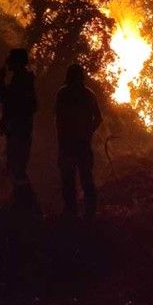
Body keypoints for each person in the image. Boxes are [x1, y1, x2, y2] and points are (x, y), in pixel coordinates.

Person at [55, 63, 102, 217]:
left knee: (70, 178)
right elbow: (98, 119)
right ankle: (89, 212)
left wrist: (62, 139)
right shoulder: (88, 94)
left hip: (69, 143)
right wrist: (88, 132)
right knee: (85, 177)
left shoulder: (63, 94)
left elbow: (58, 120)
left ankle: (72, 211)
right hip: (80, 143)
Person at [0, 48, 36, 194]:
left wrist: (0, 79)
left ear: (17, 62)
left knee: (16, 165)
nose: (8, 62)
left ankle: (24, 201)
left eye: (11, 59)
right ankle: (22, 200)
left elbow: (5, 98)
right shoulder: (24, 79)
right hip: (21, 129)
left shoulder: (20, 80)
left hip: (18, 129)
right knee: (17, 165)